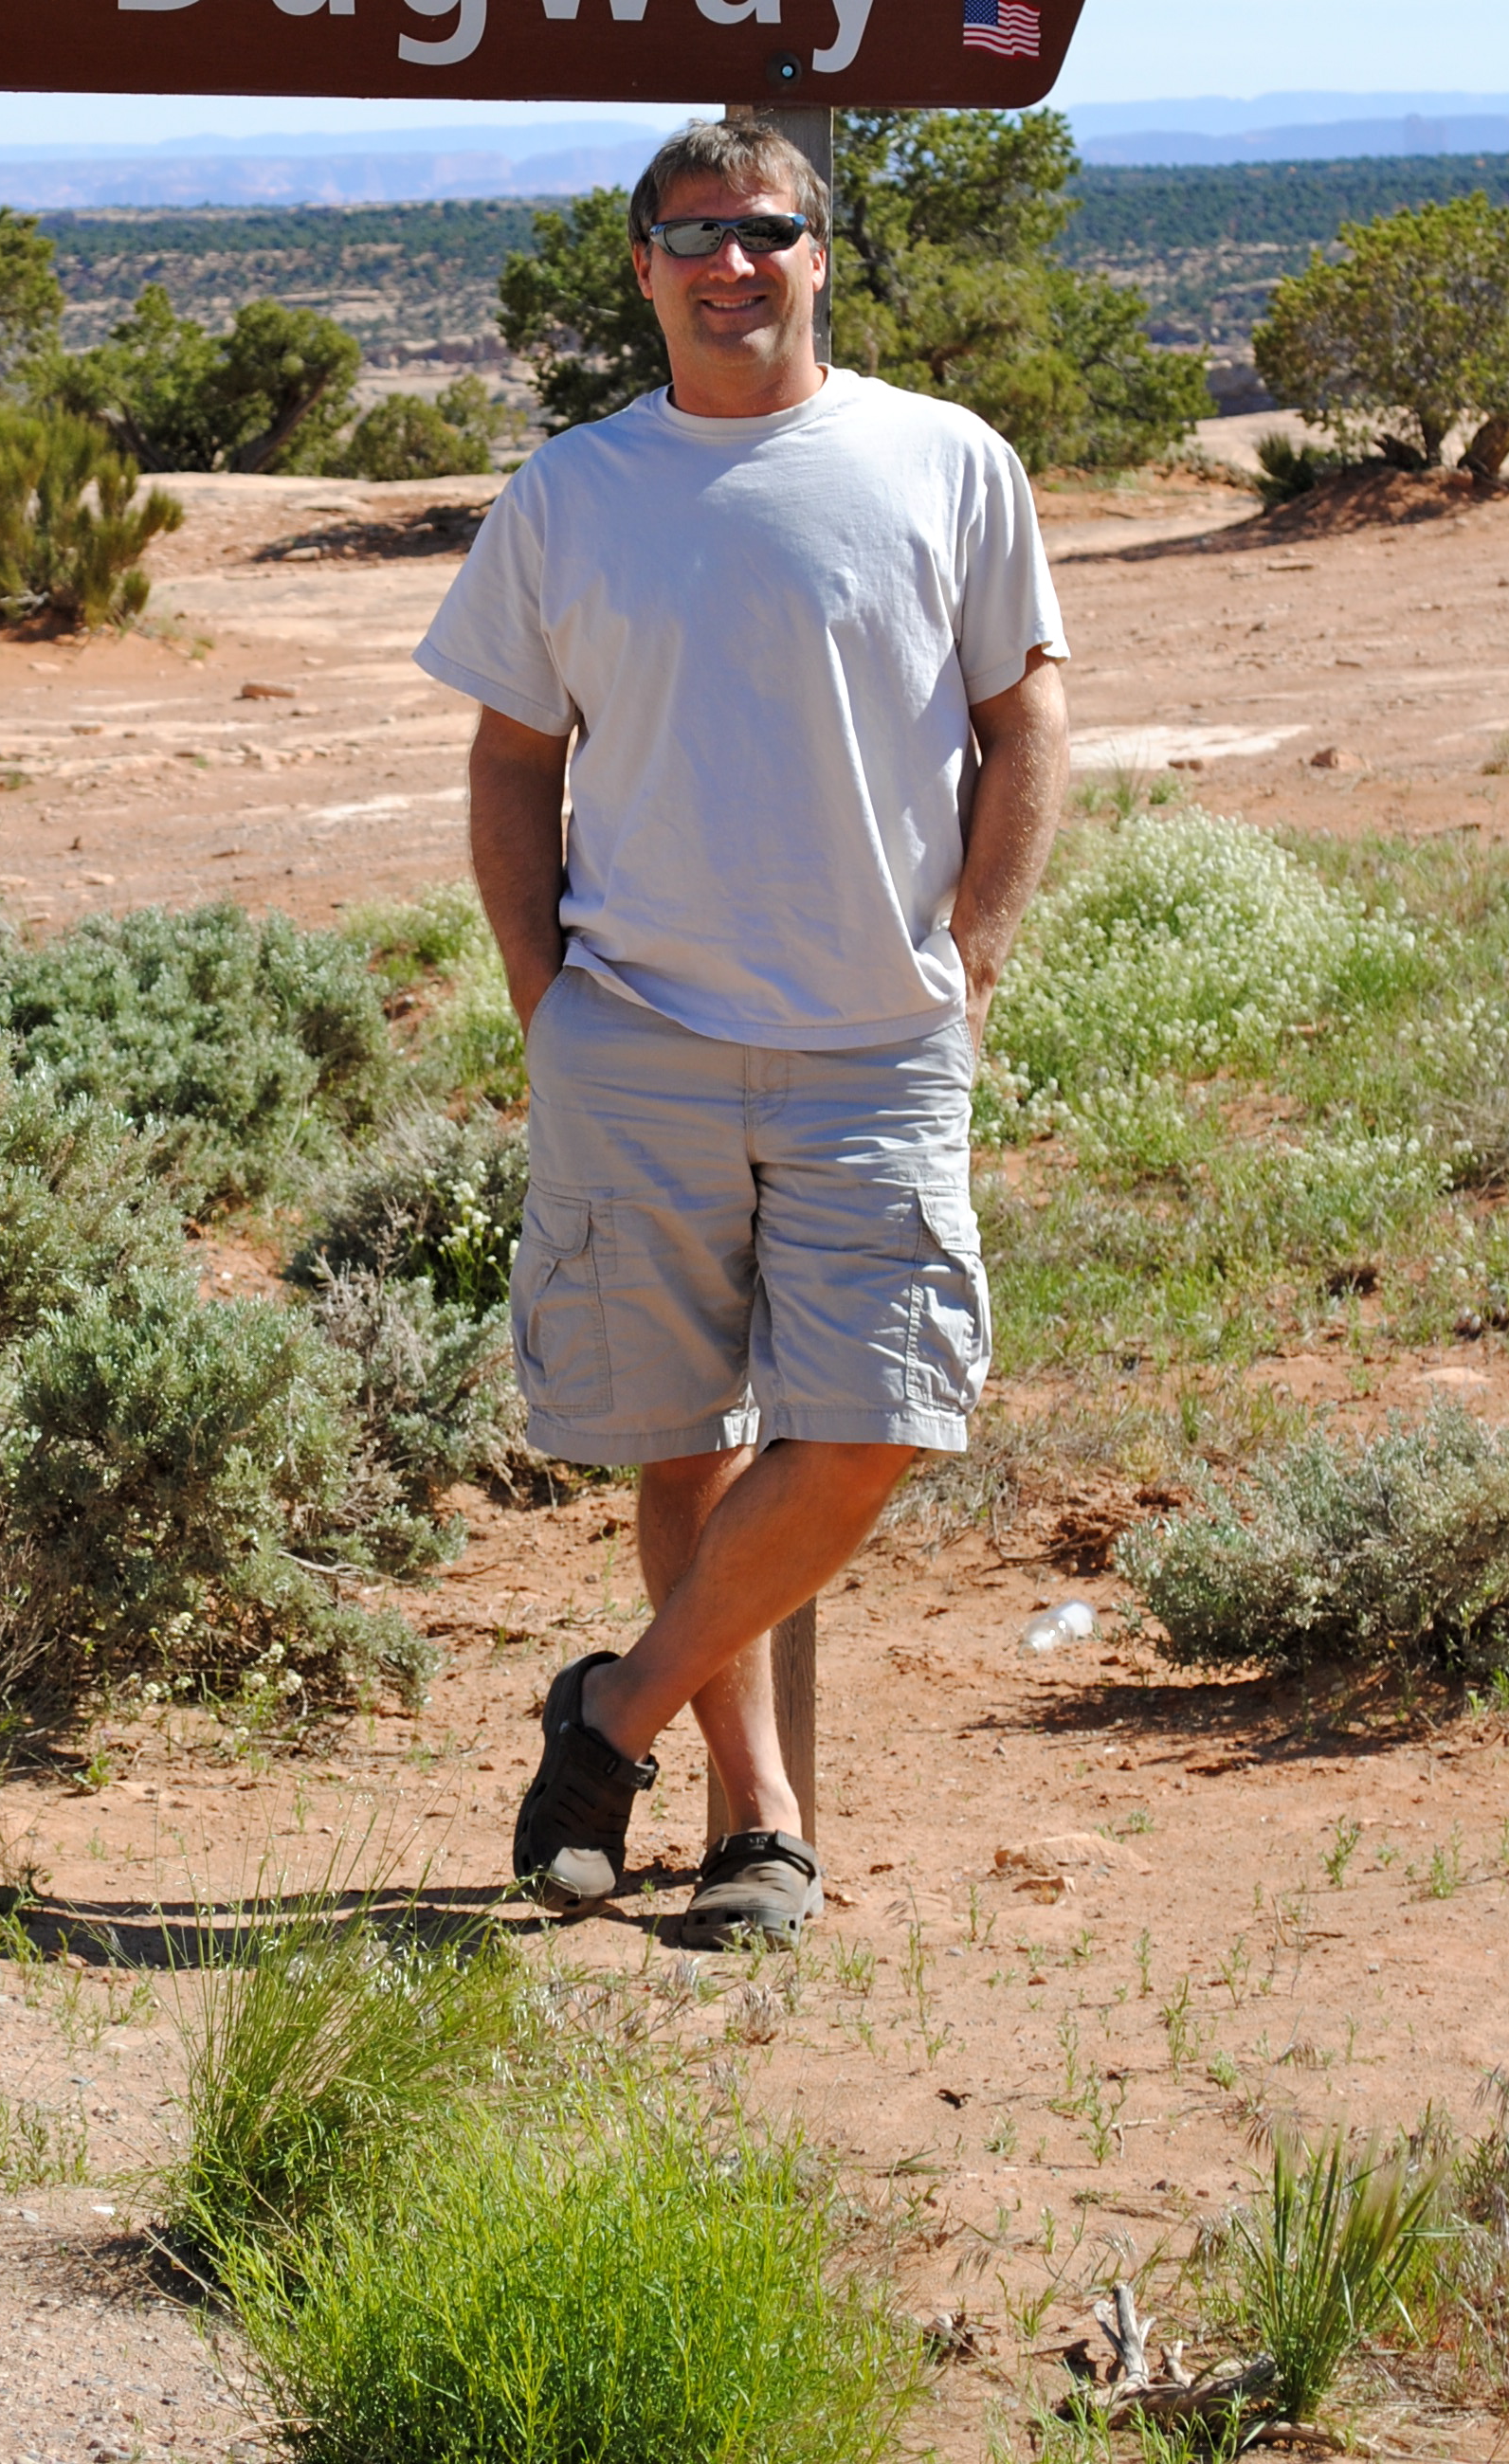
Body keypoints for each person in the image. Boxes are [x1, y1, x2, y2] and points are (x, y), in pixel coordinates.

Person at [413, 114, 1070, 1946]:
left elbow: (1025, 725)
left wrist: (973, 960)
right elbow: (511, 758)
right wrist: (546, 1002)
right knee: (684, 1439)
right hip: (637, 1033)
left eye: (766, 230)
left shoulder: (945, 461)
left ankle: (611, 1713)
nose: (732, 264)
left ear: (819, 254)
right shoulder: (573, 492)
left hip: (879, 1041)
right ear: (643, 267)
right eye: (694, 235)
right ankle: (759, 1826)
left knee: (879, 1419)